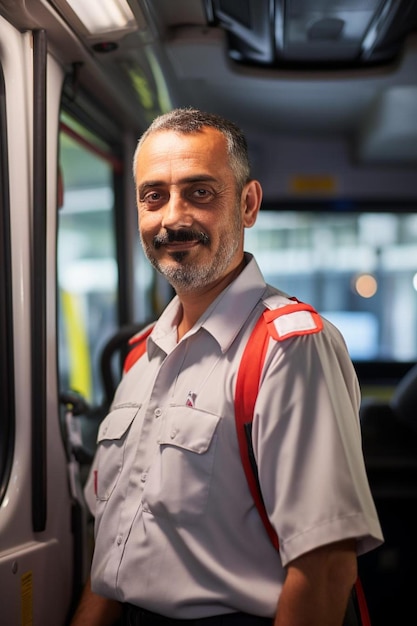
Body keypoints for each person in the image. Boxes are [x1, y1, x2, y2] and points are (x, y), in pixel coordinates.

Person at [70, 107, 383, 626]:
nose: (172, 218)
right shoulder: (139, 357)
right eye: (154, 196)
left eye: (200, 192)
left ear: (248, 203)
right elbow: (113, 552)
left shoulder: (288, 349)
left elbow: (325, 570)